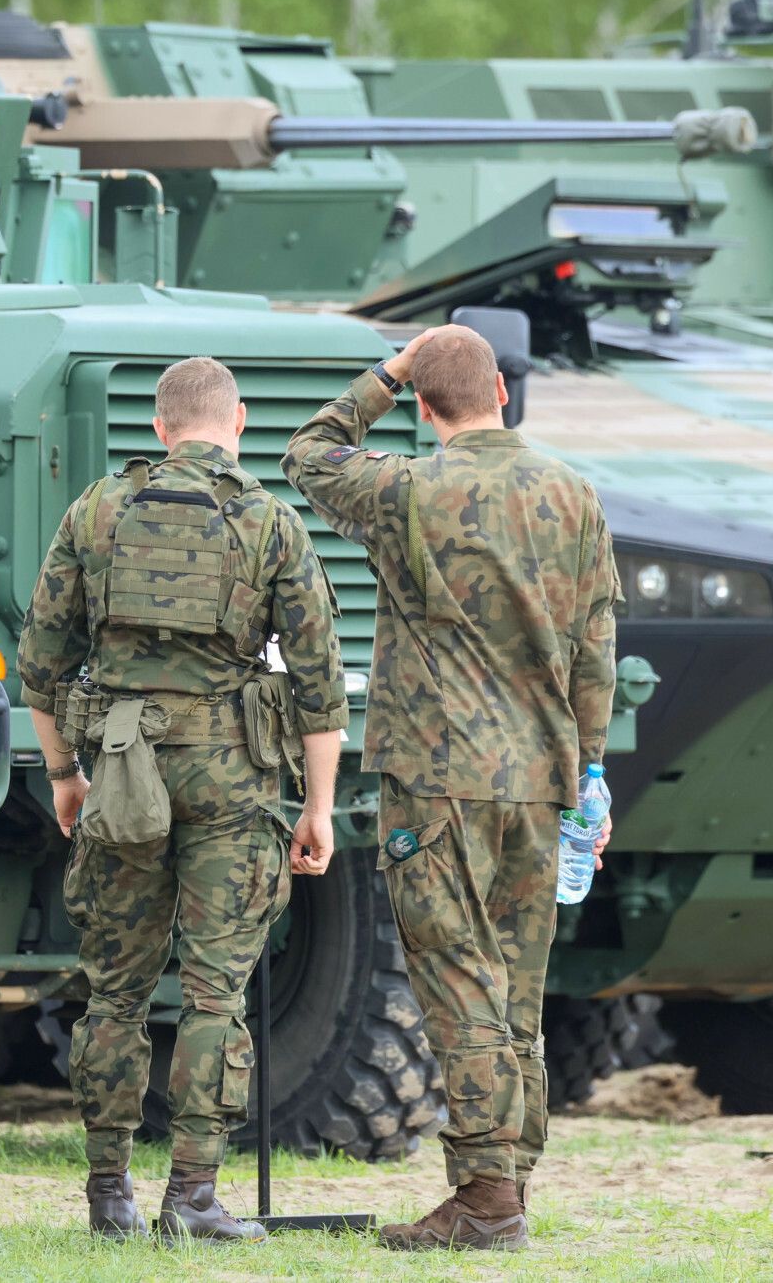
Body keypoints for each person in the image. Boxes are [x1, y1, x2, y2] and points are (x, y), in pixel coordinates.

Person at [283, 326, 618, 1252]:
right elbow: (596, 655)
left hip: (440, 780)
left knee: (458, 980)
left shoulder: (407, 490)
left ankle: (485, 1200)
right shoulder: (574, 495)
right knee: (515, 987)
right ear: (504, 395)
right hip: (543, 779)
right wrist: (589, 772)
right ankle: (508, 1181)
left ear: (425, 408)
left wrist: (385, 374)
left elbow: (308, 454)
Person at [18, 356, 347, 1243]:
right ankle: (194, 1197)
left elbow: (41, 670)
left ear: (161, 428)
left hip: (121, 766)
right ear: (235, 423)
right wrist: (318, 807)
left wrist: (64, 776)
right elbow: (319, 682)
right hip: (233, 774)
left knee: (114, 996)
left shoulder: (97, 510)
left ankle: (108, 1196)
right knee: (213, 995)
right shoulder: (270, 522)